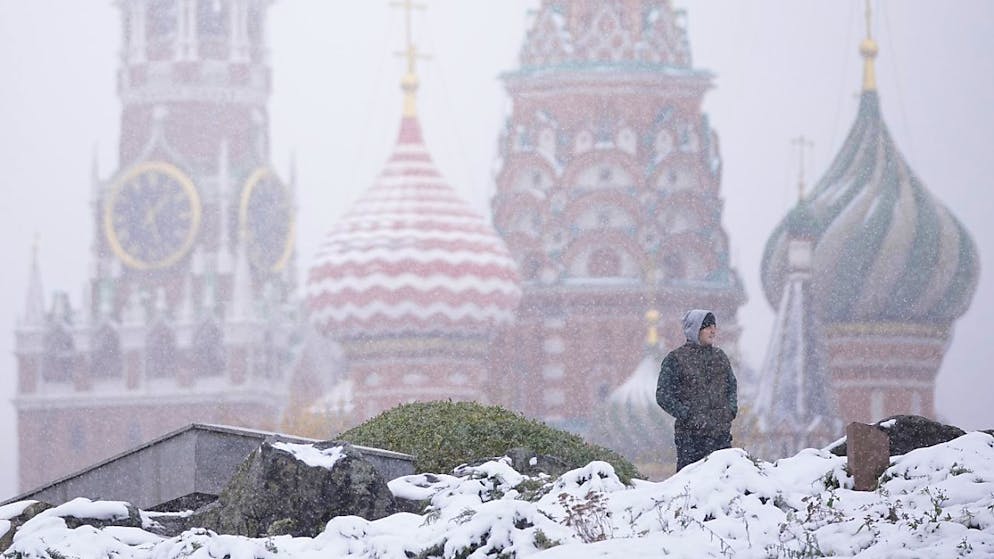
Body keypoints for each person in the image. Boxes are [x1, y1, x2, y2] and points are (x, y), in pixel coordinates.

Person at [655, 309, 738, 471]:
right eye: (707, 327)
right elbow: (663, 395)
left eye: (714, 326)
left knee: (723, 486)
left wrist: (730, 411)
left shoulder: (720, 357)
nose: (713, 331)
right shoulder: (676, 359)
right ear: (695, 329)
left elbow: (731, 387)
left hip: (720, 435)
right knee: (691, 486)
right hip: (691, 438)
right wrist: (687, 414)